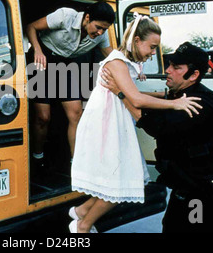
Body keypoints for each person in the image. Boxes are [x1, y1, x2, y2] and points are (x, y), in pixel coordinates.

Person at [68, 15, 202, 233]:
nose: (152, 53)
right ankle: (82, 225)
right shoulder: (117, 61)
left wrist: (161, 95)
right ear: (137, 40)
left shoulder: (123, 61)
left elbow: (129, 92)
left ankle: (82, 212)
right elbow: (136, 99)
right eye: (151, 47)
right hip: (105, 125)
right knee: (121, 182)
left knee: (118, 177)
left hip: (113, 122)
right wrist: (175, 103)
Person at [103, 41, 213, 233]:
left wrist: (120, 92)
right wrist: (132, 92)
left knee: (193, 230)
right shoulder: (182, 94)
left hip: (203, 192)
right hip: (189, 187)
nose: (168, 70)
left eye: (176, 67)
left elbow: (152, 125)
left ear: (194, 75)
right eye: (169, 65)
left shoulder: (196, 105)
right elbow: (162, 99)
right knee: (173, 227)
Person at [26, 1, 114, 166]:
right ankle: (37, 158)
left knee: (76, 113)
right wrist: (37, 50)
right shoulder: (65, 16)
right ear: (87, 18)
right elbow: (31, 27)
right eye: (98, 27)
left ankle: (77, 163)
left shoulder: (101, 35)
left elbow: (112, 56)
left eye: (105, 29)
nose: (100, 32)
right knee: (43, 117)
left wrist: (134, 68)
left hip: (64, 65)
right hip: (43, 60)